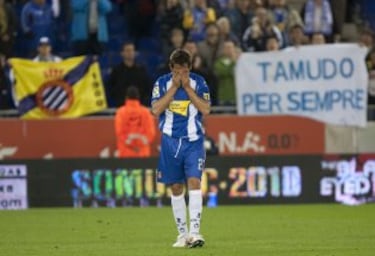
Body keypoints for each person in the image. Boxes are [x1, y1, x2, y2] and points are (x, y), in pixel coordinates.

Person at [151, 49, 210, 248]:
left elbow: (205, 109)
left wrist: (188, 89)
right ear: (171, 69)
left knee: (194, 181)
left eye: (184, 72)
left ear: (190, 69)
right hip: (170, 142)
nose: (181, 76)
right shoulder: (161, 83)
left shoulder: (199, 83)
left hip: (193, 141)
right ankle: (182, 235)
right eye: (177, 72)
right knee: (176, 187)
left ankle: (195, 232)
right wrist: (174, 89)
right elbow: (156, 109)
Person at [114, 86, 156, 158]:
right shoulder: (146, 113)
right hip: (142, 155)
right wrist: (139, 144)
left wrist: (131, 145)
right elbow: (151, 134)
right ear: (138, 97)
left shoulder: (121, 113)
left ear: (126, 98)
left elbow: (119, 133)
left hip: (125, 155)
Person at [107, 42, 152, 107]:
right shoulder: (116, 71)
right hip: (121, 106)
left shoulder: (141, 70)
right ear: (122, 53)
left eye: (132, 50)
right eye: (127, 50)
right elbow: (111, 89)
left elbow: (147, 88)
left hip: (139, 105)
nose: (130, 53)